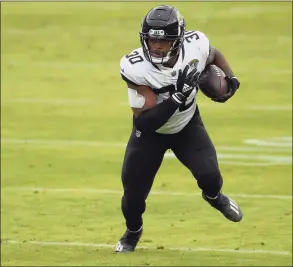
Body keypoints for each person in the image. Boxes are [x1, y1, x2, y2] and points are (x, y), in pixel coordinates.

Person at [115, 5, 242, 253]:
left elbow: (213, 54)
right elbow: (146, 121)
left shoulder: (196, 44)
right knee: (133, 196)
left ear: (179, 39)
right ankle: (132, 233)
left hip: (187, 125)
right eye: (151, 39)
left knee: (211, 177)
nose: (156, 46)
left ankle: (214, 197)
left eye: (164, 41)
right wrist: (178, 96)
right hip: (150, 135)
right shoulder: (135, 67)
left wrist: (231, 78)